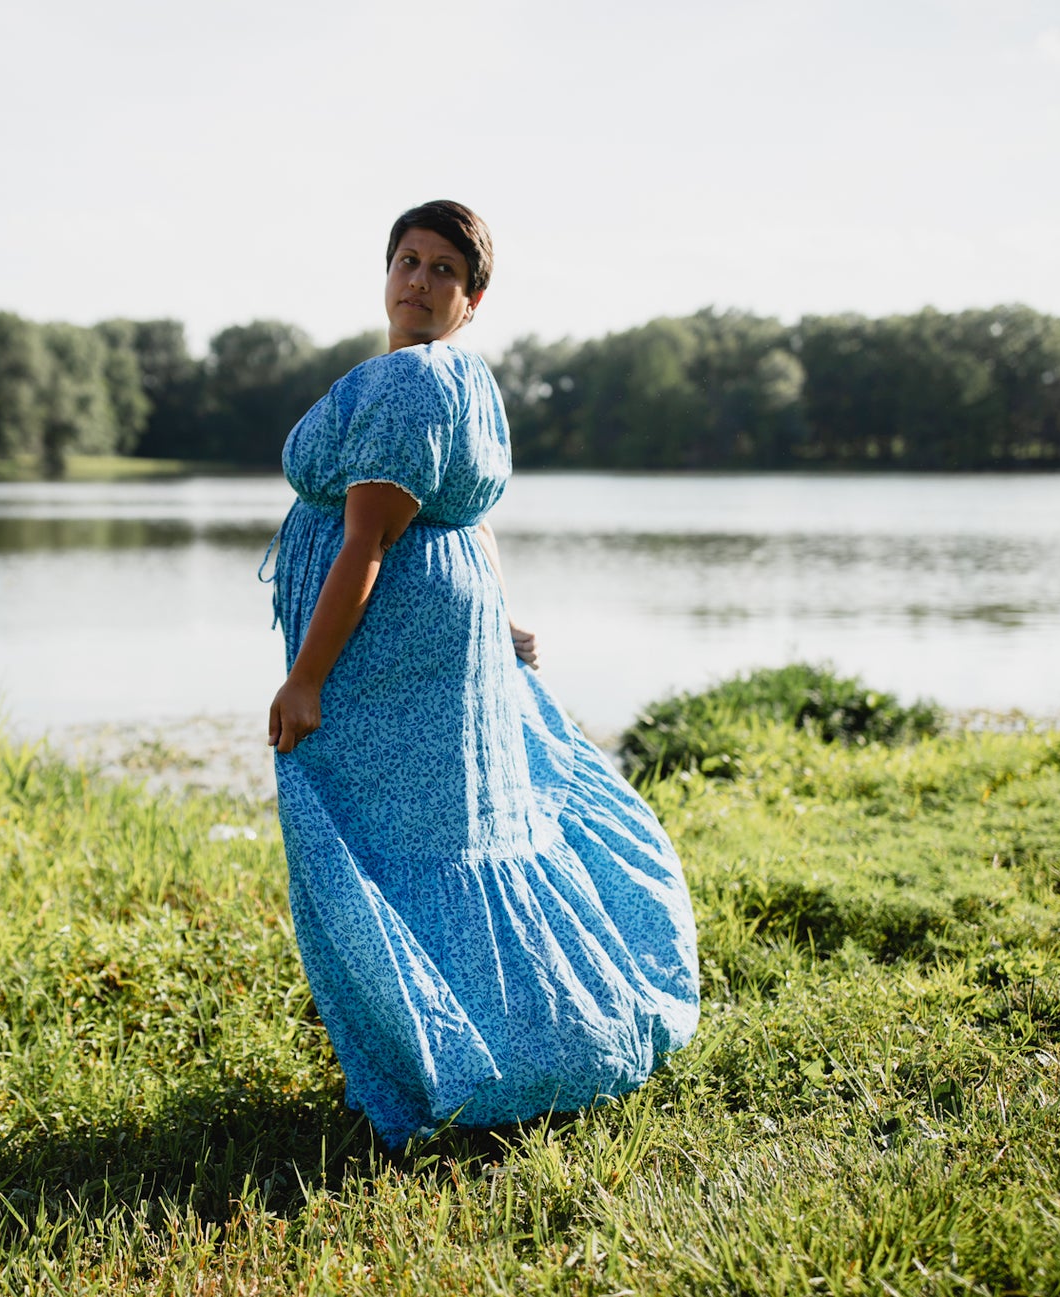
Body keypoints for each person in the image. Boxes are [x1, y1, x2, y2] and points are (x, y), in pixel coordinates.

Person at [261, 200, 701, 1148]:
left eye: (443, 271)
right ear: (386, 274)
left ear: (474, 296)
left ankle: (464, 1059)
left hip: (383, 653)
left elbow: (368, 544)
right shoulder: (455, 375)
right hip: (436, 642)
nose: (419, 281)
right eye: (407, 261)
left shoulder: (413, 383)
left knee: (394, 846)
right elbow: (467, 521)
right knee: (443, 839)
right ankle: (476, 1045)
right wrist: (499, 616)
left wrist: (306, 678)